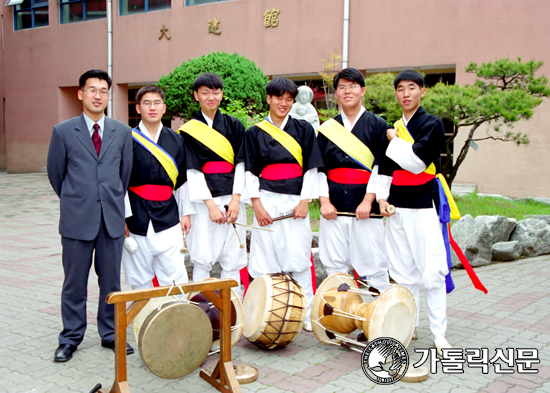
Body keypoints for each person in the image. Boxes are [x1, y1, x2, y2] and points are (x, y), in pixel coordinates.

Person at [47, 69, 133, 362]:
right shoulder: (63, 131)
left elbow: (124, 174)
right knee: (74, 282)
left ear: (109, 95)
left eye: (104, 91)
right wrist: (77, 199)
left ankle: (110, 334)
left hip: (110, 220)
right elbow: (56, 175)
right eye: (92, 90)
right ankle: (70, 337)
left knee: (111, 283)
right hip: (76, 220)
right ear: (80, 94)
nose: (98, 96)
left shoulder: (121, 132)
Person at [377, 70, 451, 354]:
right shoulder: (392, 126)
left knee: (430, 270)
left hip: (423, 204)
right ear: (395, 94)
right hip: (397, 206)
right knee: (403, 271)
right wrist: (382, 199)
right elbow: (383, 169)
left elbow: (418, 162)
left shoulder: (431, 123)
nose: (406, 93)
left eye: (411, 88)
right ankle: (411, 325)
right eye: (400, 89)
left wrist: (395, 139)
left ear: (422, 91)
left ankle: (439, 333)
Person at [244, 77, 324, 331]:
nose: (284, 103)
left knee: (299, 258)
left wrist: (304, 202)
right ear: (268, 99)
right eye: (279, 98)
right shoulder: (254, 132)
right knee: (264, 258)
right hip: (265, 199)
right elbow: (249, 173)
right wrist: (256, 205)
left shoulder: (303, 130)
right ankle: (265, 316)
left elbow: (312, 168)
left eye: (289, 99)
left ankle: (307, 315)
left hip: (295, 201)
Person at [317, 68, 390, 291]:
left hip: (366, 206)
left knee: (374, 263)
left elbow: (381, 166)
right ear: (336, 94)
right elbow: (320, 169)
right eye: (342, 87)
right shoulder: (327, 129)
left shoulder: (379, 125)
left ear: (362, 91)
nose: (347, 91)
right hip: (334, 206)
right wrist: (324, 202)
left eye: (352, 86)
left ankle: (381, 317)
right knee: (335, 265)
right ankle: (341, 318)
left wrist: (369, 200)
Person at [178, 73, 246, 297]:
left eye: (215, 92)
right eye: (205, 92)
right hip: (203, 202)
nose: (211, 97)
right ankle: (201, 309)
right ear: (196, 95)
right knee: (202, 256)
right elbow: (192, 171)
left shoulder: (235, 125)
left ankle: (234, 310)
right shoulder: (189, 131)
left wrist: (235, 200)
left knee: (233, 257)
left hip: (232, 198)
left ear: (222, 94)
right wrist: (211, 206)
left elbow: (241, 164)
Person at [122, 85, 190, 292]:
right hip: (135, 216)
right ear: (138, 108)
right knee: (139, 277)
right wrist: (122, 217)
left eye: (157, 103)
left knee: (174, 275)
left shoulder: (176, 140)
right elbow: (119, 182)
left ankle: (175, 321)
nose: (152, 107)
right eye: (146, 103)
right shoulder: (126, 139)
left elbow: (183, 181)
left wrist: (185, 214)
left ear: (164, 108)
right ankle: (143, 323)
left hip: (168, 216)